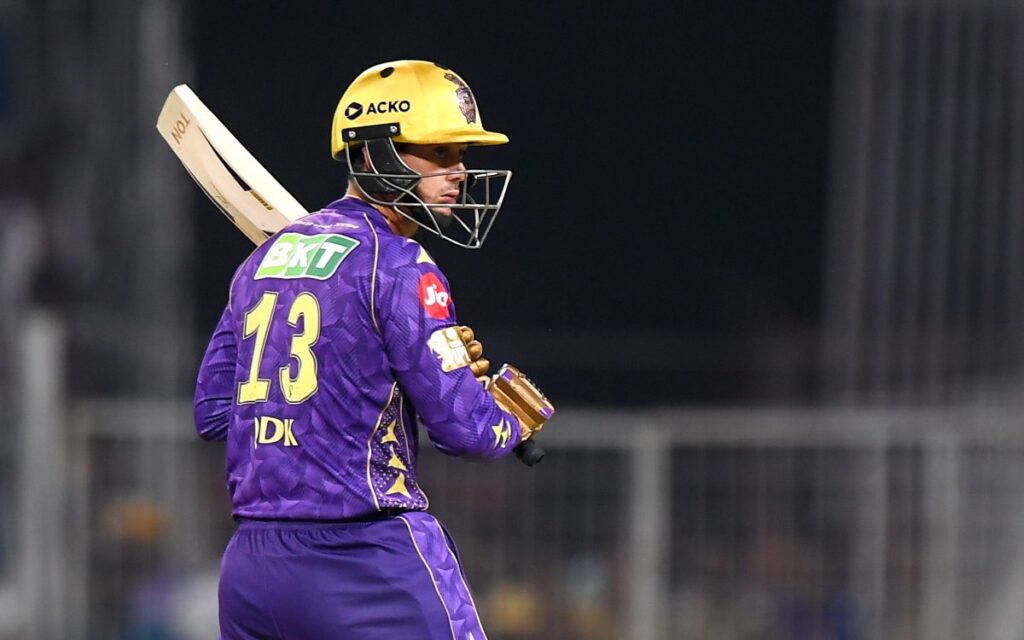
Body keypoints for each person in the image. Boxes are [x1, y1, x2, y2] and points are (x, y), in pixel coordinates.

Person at [193, 59, 553, 640]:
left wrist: (373, 367)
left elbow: (213, 413)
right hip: (366, 561)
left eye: (460, 154)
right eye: (437, 153)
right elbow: (466, 431)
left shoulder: (261, 260)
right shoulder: (402, 264)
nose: (459, 171)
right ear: (372, 154)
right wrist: (504, 416)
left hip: (251, 575)